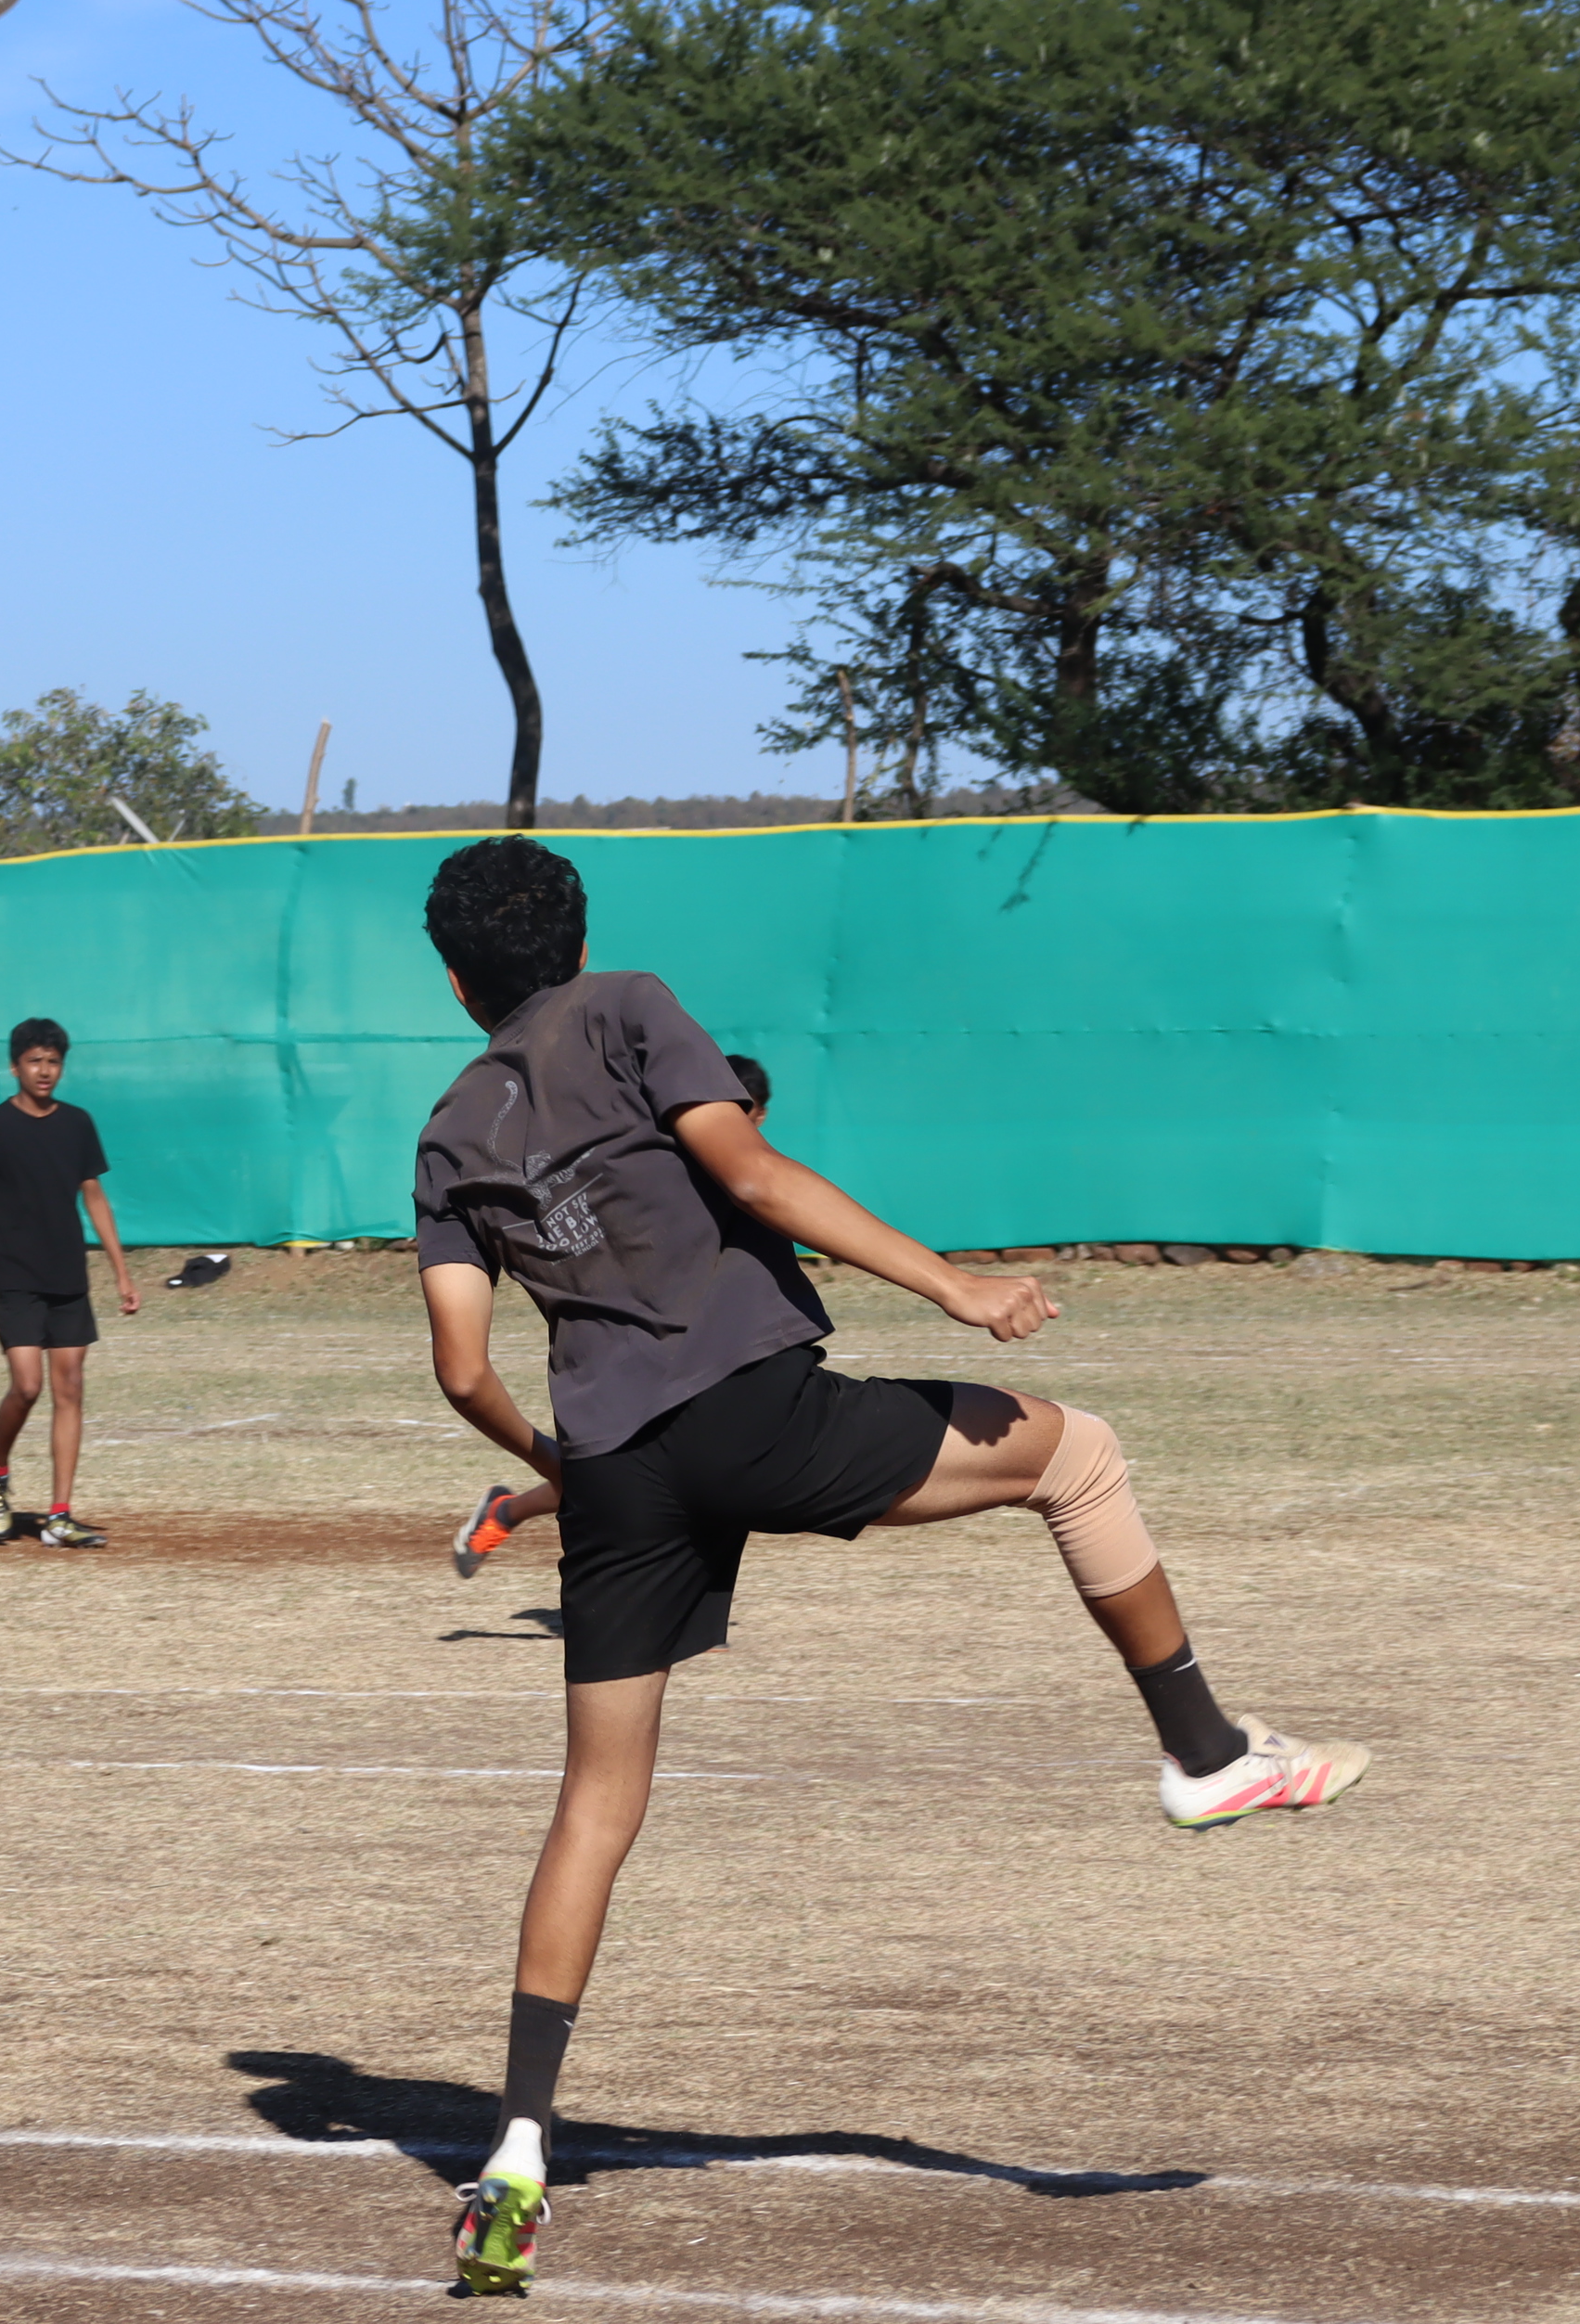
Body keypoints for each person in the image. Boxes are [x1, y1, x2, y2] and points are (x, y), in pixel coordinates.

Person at [407, 837, 1366, 2298]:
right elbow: (756, 1174)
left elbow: (461, 1364)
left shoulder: (449, 1125)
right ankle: (1205, 1752)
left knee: (596, 1806)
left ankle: (517, 2155)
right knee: (1075, 1455)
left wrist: (561, 1470)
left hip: (615, 1468)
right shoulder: (626, 1005)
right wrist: (953, 1284)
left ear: (456, 975)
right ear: (580, 934)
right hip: (749, 1411)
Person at [451, 1046, 771, 1578]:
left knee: (645, 1474)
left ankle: (506, 1511)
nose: (738, 1119)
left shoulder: (746, 1168)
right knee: (631, 1476)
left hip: (703, 1341)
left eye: (748, 1109)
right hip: (645, 1339)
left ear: (758, 1113)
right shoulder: (670, 1159)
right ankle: (510, 1514)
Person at [0, 1016, 142, 1547]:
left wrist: (121, 1270)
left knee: (71, 1388)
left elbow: (94, 1197)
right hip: (10, 1275)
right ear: (15, 1066)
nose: (45, 1070)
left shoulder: (77, 1123)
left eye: (53, 1061)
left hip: (66, 1274)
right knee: (28, 1385)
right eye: (34, 1061)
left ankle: (59, 1515)